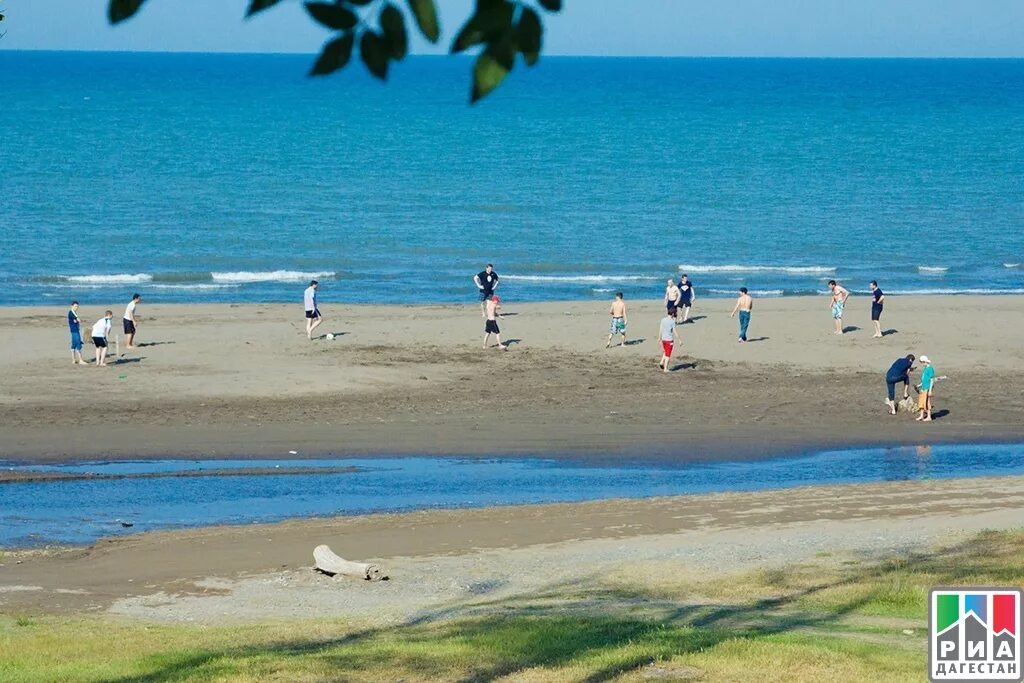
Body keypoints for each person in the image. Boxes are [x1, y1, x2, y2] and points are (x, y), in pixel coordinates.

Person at [916, 356, 945, 422]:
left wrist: (930, 390)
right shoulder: (925, 368)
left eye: (923, 362)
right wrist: (920, 385)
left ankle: (929, 417)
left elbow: (931, 380)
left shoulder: (930, 369)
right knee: (921, 402)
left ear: (925, 362)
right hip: (923, 387)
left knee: (926, 402)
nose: (922, 364)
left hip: (927, 388)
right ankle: (921, 415)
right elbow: (924, 379)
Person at [658, 307, 680, 373]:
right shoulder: (672, 321)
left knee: (665, 351)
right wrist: (679, 340)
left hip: (663, 339)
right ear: (673, 314)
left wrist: (659, 338)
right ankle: (665, 368)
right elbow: (674, 331)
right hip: (669, 340)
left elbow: (660, 329)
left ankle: (661, 362)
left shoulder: (663, 320)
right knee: (668, 355)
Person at [68, 301, 85, 365]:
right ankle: (80, 360)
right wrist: (78, 320)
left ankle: (73, 360)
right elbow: (78, 320)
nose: (76, 307)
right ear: (71, 306)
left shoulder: (72, 312)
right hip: (74, 330)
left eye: (77, 306)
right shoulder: (72, 312)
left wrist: (76, 321)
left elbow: (76, 320)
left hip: (74, 330)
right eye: (75, 306)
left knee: (74, 344)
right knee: (78, 343)